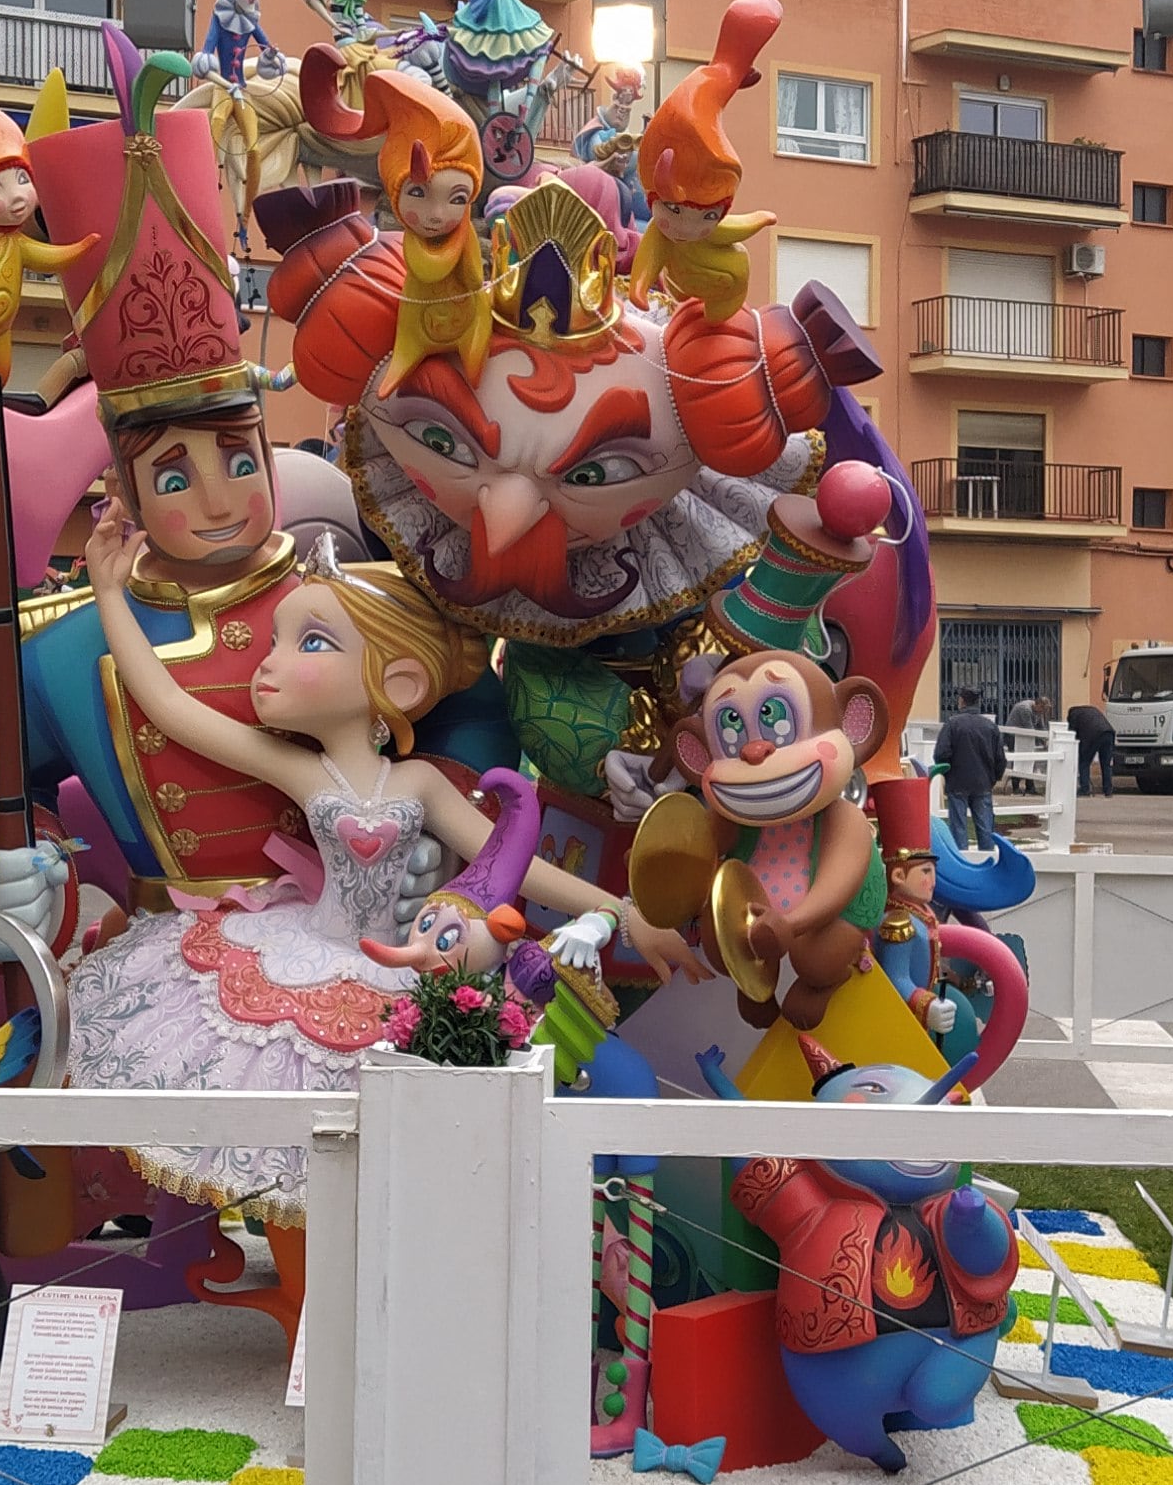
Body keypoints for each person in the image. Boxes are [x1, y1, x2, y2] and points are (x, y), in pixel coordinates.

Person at [65, 517, 703, 1219]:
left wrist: (624, 912)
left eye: (307, 642)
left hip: (398, 975)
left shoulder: (421, 786)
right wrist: (108, 592)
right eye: (275, 640)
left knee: (406, 1153)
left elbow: (509, 861)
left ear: (397, 682)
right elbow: (169, 707)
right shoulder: (302, 770)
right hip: (301, 960)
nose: (266, 664)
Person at [935, 692, 1006, 855]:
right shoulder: (989, 726)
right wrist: (994, 778)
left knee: (959, 827)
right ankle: (988, 861)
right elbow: (1000, 758)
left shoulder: (952, 724)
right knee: (985, 828)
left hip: (957, 781)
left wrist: (947, 773)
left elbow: (941, 754)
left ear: (961, 701)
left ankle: (962, 861)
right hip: (983, 783)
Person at [1066, 698, 1116, 798]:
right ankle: (1108, 790)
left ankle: (1085, 789)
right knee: (1106, 764)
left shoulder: (1073, 715)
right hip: (1108, 733)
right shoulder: (1091, 710)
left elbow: (1072, 734)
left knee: (1084, 762)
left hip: (1093, 735)